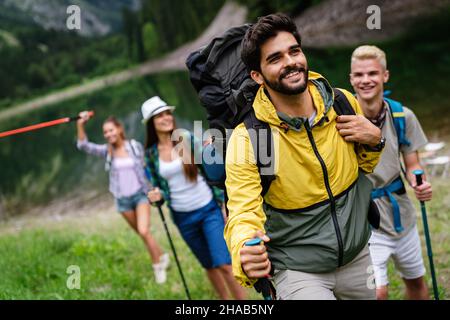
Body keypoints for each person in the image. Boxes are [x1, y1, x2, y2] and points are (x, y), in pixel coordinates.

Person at [224, 13, 385, 300]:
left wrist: (376, 140)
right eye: (275, 59)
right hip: (297, 269)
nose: (290, 63)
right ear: (257, 76)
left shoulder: (343, 102)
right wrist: (243, 249)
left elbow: (361, 167)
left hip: (358, 256)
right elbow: (243, 211)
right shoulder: (249, 138)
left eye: (294, 51)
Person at [142, 96, 246, 300]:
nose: (165, 117)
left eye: (167, 113)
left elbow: (213, 171)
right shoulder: (151, 154)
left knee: (223, 263)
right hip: (182, 217)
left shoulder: (186, 139)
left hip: (208, 209)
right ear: (151, 123)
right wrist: (155, 196)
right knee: (208, 265)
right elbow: (159, 188)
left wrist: (211, 149)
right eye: (159, 115)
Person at [349, 45, 433, 300]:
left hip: (402, 214)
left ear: (385, 76)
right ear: (351, 79)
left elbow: (412, 164)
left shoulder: (401, 115)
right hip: (366, 219)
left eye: (372, 73)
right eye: (359, 75)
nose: (366, 80)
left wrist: (419, 182)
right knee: (377, 292)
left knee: (416, 282)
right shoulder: (344, 119)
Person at [76, 112, 169, 284]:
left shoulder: (134, 147)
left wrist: (154, 187)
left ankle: (158, 266)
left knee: (143, 230)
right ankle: (162, 255)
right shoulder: (107, 151)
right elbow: (83, 145)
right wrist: (80, 124)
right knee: (143, 234)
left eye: (111, 130)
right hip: (122, 200)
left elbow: (147, 167)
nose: (109, 134)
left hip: (140, 195)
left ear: (119, 129)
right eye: (106, 132)